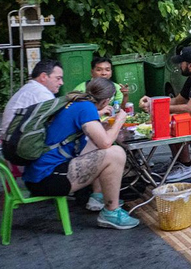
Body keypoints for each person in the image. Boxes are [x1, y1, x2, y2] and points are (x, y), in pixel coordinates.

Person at [22, 78, 139, 229]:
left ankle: (98, 197)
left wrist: (103, 125)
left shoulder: (76, 102)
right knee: (116, 153)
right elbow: (106, 143)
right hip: (46, 180)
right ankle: (111, 212)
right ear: (106, 101)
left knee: (97, 147)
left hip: (37, 175)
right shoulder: (86, 108)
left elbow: (93, 138)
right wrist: (119, 121)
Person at [138, 46, 191, 181]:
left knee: (187, 129)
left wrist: (159, 109)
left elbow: (189, 108)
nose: (179, 66)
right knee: (168, 123)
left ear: (190, 65)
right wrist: (153, 102)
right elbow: (177, 100)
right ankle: (180, 162)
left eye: (181, 63)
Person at [0, 60, 64, 136]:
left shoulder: (31, 88)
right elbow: (57, 122)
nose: (61, 83)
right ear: (44, 77)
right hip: (19, 142)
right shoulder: (40, 92)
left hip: (12, 139)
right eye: (58, 78)